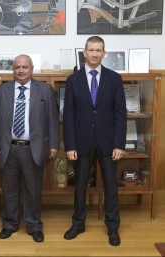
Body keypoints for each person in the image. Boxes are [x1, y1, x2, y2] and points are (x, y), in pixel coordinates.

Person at [0, 54, 59, 242]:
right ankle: (9, 224)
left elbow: (53, 120)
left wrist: (53, 145)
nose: (20, 70)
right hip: (8, 149)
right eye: (17, 67)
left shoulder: (44, 90)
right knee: (9, 189)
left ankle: (34, 225)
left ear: (31, 68)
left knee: (33, 190)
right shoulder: (0, 91)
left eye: (24, 67)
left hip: (33, 149)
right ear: (13, 70)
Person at [62, 36, 127, 246]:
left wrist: (119, 144)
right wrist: (70, 145)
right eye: (91, 50)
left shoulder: (114, 79)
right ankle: (78, 224)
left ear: (104, 53)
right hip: (81, 142)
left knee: (110, 187)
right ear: (84, 52)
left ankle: (113, 228)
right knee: (80, 186)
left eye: (98, 50)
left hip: (108, 142)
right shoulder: (73, 80)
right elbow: (68, 115)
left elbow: (120, 113)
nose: (94, 54)